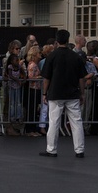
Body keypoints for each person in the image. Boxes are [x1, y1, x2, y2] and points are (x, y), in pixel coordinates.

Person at [40, 29, 87, 158]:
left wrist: (45, 93)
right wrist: (82, 93)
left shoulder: (52, 56)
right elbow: (81, 77)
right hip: (72, 93)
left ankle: (51, 149)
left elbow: (46, 78)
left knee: (54, 121)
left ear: (57, 40)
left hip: (55, 93)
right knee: (76, 121)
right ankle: (79, 149)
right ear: (68, 40)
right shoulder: (75, 56)